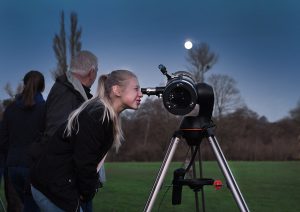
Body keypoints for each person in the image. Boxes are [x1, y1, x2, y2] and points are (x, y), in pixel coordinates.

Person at [30, 70, 143, 212]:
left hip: (59, 186)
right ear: (117, 90)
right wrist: (87, 192)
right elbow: (84, 162)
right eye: (136, 89)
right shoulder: (96, 115)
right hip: (51, 187)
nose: (141, 94)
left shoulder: (105, 115)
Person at [41, 50, 99, 212]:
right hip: (68, 181)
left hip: (73, 178)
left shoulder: (72, 90)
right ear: (91, 72)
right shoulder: (66, 92)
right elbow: (56, 136)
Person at [0, 70, 46, 212]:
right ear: (43, 87)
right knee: (32, 207)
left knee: (17, 207)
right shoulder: (44, 108)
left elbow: (3, 140)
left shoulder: (11, 109)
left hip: (13, 166)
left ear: (24, 84)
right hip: (33, 167)